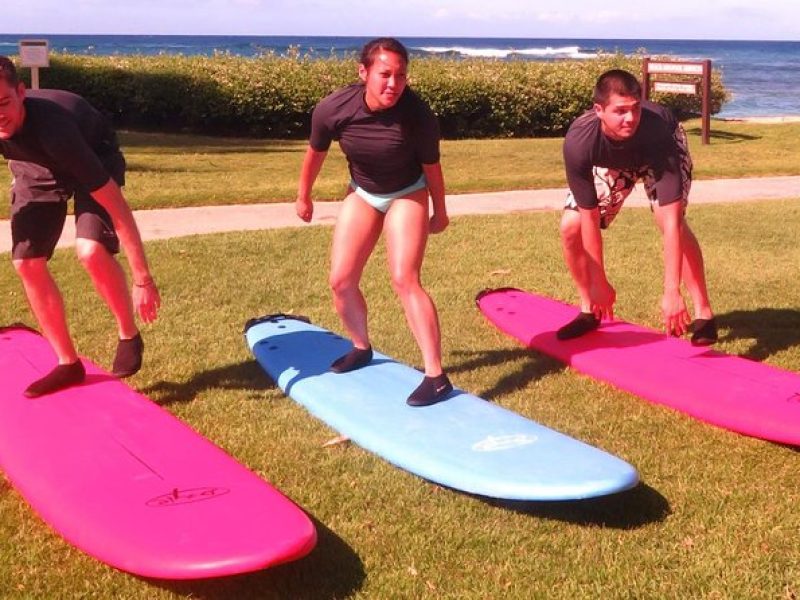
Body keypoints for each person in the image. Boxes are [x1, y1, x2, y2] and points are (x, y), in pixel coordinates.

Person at [295, 37, 453, 407]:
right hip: (363, 192)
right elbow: (315, 152)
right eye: (385, 74)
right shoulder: (334, 107)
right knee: (341, 280)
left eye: (401, 76)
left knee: (404, 278)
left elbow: (432, 169)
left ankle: (436, 375)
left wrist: (440, 210)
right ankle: (361, 347)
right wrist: (304, 195)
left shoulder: (418, 115)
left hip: (408, 192)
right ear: (364, 72)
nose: (393, 85)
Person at [0, 55, 160, 397]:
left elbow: (117, 208)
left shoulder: (56, 131)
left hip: (91, 153)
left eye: (4, 102)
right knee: (26, 262)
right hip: (36, 166)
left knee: (90, 251)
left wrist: (143, 279)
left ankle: (128, 333)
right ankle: (67, 364)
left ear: (22, 92)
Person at [558, 69, 716, 345]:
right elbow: (589, 215)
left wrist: (671, 291)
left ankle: (704, 313)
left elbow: (671, 223)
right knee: (570, 226)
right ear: (599, 109)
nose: (630, 118)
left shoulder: (656, 131)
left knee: (671, 222)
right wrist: (599, 281)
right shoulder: (579, 142)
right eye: (620, 111)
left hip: (659, 153)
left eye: (635, 109)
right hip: (614, 160)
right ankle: (589, 309)